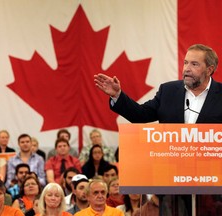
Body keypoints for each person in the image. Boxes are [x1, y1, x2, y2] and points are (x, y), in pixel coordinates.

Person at [94, 44, 221, 215]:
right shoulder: (168, 91)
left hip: (211, 184)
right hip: (171, 182)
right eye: (185, 63)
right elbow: (141, 114)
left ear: (210, 69)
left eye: (194, 64)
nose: (187, 69)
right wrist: (117, 96)